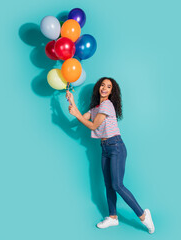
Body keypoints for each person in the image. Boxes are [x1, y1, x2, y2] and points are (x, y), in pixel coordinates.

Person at [65, 77, 155, 234]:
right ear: (98, 88)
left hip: (116, 147)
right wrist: (71, 101)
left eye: (108, 86)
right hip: (105, 148)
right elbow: (80, 118)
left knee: (117, 185)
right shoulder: (96, 108)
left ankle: (143, 215)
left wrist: (77, 114)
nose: (104, 88)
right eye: (102, 85)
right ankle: (113, 217)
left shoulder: (107, 105)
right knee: (108, 184)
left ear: (112, 91)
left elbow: (93, 125)